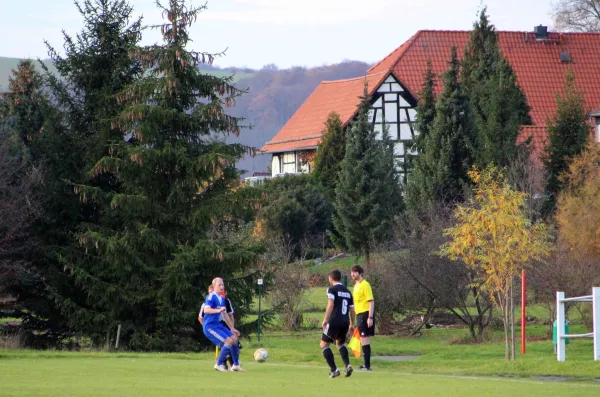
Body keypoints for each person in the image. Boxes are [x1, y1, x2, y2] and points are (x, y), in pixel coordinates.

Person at [202, 277, 244, 372]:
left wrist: (232, 328)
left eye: (222, 285)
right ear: (214, 286)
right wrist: (218, 310)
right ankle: (218, 364)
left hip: (217, 325)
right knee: (228, 341)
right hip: (210, 327)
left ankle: (235, 365)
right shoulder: (211, 297)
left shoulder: (222, 299)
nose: (222, 286)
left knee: (234, 338)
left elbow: (225, 315)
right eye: (219, 285)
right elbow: (206, 310)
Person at [321, 270, 355, 379]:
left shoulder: (331, 290)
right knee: (340, 344)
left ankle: (334, 370)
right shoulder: (348, 292)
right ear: (340, 278)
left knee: (323, 345)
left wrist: (325, 319)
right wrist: (352, 324)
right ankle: (347, 365)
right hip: (345, 322)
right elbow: (352, 310)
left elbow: (330, 304)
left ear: (331, 278)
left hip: (334, 321)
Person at [350, 265, 374, 371]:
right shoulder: (356, 285)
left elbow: (371, 301)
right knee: (362, 339)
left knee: (365, 339)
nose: (352, 274)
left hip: (365, 314)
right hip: (359, 315)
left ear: (360, 273)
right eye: (351, 272)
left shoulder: (365, 285)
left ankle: (367, 365)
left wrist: (370, 317)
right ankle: (366, 365)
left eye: (355, 272)